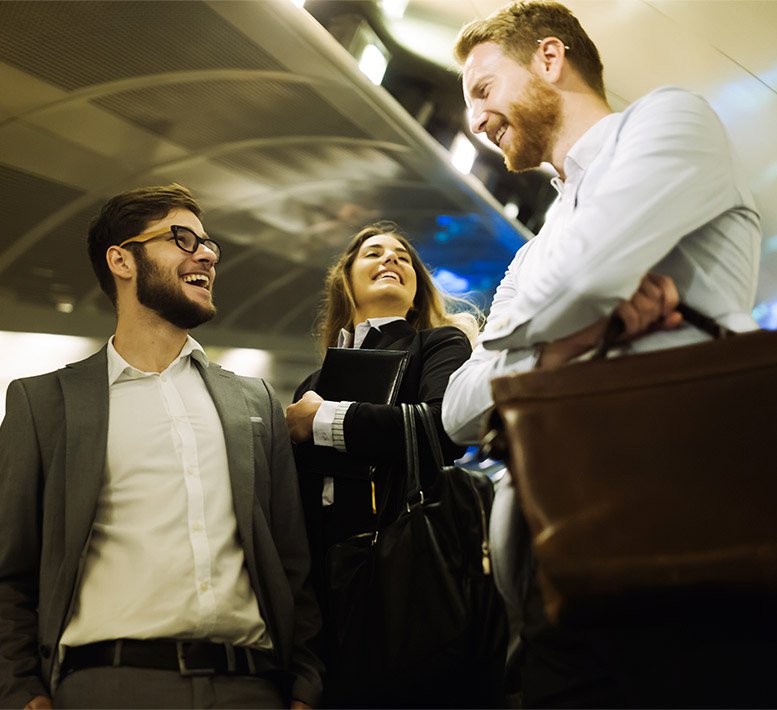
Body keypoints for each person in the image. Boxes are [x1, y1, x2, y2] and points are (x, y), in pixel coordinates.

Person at [443, 1, 767, 707]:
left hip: (689, 573)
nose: (476, 119)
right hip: (550, 608)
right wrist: (570, 342)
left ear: (549, 60)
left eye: (483, 88)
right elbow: (457, 409)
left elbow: (588, 278)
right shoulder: (534, 250)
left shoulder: (668, 119)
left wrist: (530, 341)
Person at [0, 184, 323, 710]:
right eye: (182, 238)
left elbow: (293, 560)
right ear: (121, 260)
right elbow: (9, 570)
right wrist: (21, 693)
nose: (208, 254)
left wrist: (306, 685)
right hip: (107, 685)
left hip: (250, 687)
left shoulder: (255, 402)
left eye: (209, 243)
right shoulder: (45, 405)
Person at [285, 223, 506, 708]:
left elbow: (442, 430)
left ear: (416, 287)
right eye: (373, 253)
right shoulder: (314, 378)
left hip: (408, 575)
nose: (391, 260)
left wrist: (322, 419)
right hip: (326, 590)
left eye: (403, 257)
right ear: (346, 278)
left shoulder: (438, 345)